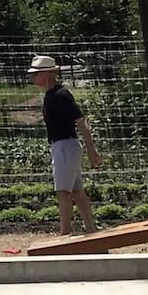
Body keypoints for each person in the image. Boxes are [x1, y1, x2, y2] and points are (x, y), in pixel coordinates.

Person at [30, 55, 102, 235]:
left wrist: (91, 149)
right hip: (63, 146)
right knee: (77, 190)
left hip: (65, 146)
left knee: (63, 191)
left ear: (47, 73)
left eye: (36, 74)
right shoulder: (50, 95)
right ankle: (91, 229)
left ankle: (65, 232)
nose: (33, 77)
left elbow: (80, 121)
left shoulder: (61, 95)